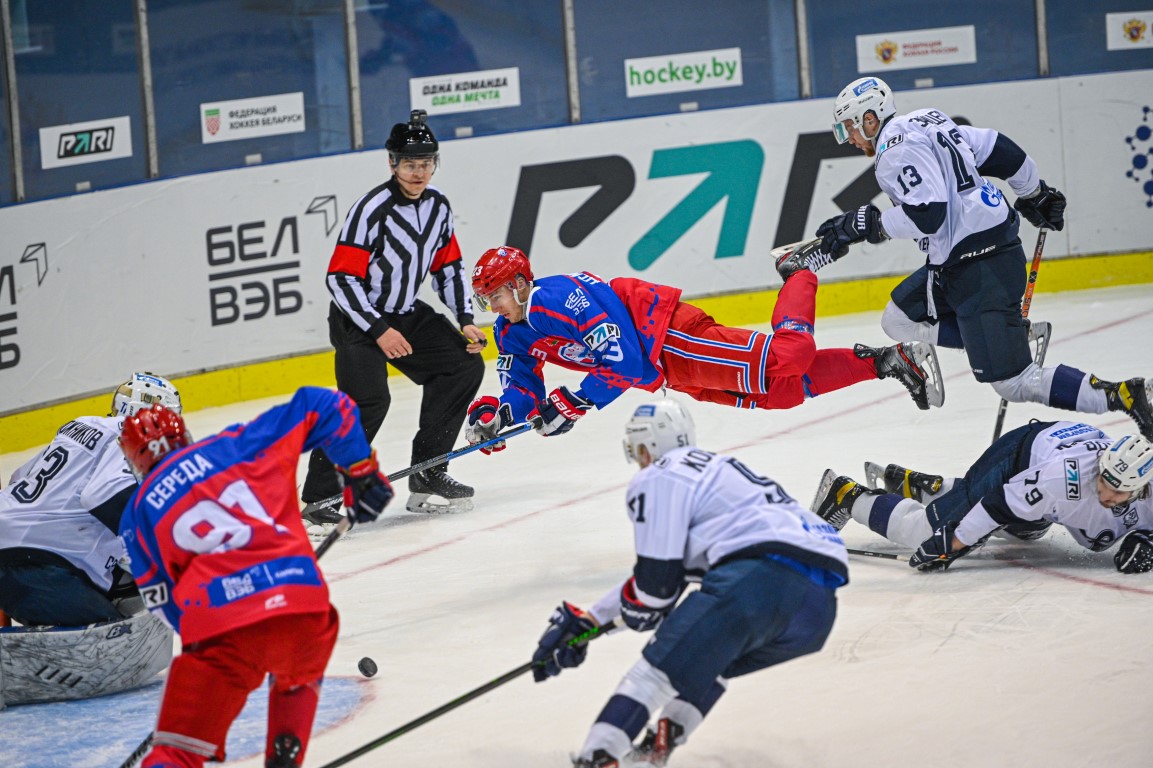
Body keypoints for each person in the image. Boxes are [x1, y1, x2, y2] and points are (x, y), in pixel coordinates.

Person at [779, 76, 1153, 441]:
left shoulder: (892, 152)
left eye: (851, 127)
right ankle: (1008, 334)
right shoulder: (927, 118)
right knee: (898, 319)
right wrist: (1033, 193)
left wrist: (867, 224)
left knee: (1013, 383)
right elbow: (1000, 150)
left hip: (981, 266)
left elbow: (929, 214)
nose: (851, 139)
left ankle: (1121, 394)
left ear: (870, 119)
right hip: (964, 256)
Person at [530, 400, 849, 767]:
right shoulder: (720, 471)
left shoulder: (660, 475)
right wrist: (591, 620)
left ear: (646, 447)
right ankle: (652, 751)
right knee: (710, 657)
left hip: (755, 582)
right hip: (816, 610)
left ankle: (595, 757)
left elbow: (654, 592)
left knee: (650, 677)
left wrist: (589, 629)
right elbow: (664, 583)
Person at [118, 386, 394, 768]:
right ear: (182, 432)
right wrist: (360, 471)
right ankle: (285, 755)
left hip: (221, 629)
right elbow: (329, 404)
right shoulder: (238, 441)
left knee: (177, 752)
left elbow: (162, 599)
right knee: (296, 673)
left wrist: (205, 635)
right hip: (304, 610)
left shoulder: (137, 511)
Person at [463, 245, 944, 449]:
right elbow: (521, 385)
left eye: (497, 295)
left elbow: (622, 358)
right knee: (782, 390)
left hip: (666, 336)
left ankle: (798, 269)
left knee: (786, 358)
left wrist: (575, 401)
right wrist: (501, 415)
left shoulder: (557, 297)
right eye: (485, 299)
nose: (492, 306)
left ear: (522, 283)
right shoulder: (512, 331)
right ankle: (890, 361)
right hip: (665, 370)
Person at [300, 108, 486, 527]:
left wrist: (464, 318)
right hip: (358, 319)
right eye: (408, 164)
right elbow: (341, 280)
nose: (418, 172)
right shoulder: (371, 210)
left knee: (462, 366)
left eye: (425, 164)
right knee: (368, 402)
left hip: (404, 313)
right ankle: (319, 496)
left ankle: (429, 471)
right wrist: (379, 330)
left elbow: (448, 266)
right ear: (391, 163)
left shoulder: (438, 207)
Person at [810, 420, 1153, 573]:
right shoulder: (1064, 478)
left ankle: (937, 488)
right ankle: (846, 495)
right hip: (1017, 458)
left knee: (1029, 531)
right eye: (1104, 478)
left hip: (1043, 474)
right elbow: (998, 504)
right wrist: (952, 543)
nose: (1106, 492)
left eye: (1119, 489)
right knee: (924, 535)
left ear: (1142, 488)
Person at [0, 372, 181, 627]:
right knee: (114, 641)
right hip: (30, 562)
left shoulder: (82, 423)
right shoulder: (125, 435)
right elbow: (104, 494)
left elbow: (18, 477)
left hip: (12, 537)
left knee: (122, 577)